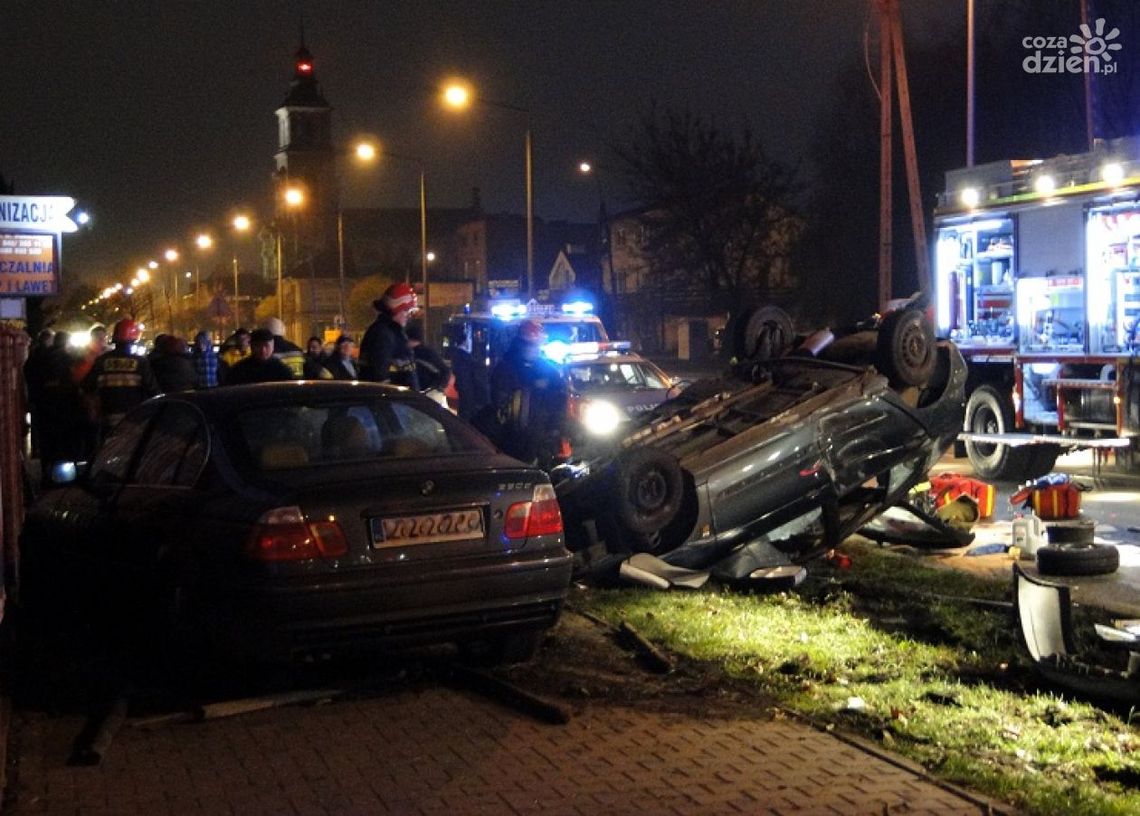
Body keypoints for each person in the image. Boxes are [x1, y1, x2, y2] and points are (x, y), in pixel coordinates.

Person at [487, 319, 568, 467]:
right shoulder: (505, 368)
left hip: (541, 440)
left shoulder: (549, 371)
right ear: (520, 344)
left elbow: (559, 404)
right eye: (530, 345)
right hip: (510, 440)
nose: (533, 350)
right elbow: (498, 403)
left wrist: (554, 433)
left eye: (536, 346)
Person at [81, 318, 160, 438]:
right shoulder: (140, 363)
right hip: (133, 421)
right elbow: (153, 392)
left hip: (107, 422)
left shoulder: (102, 361)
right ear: (134, 339)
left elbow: (87, 388)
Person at [359, 282, 419, 388]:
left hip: (401, 399)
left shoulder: (391, 332)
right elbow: (380, 377)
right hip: (394, 401)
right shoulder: (383, 334)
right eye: (407, 311)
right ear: (397, 309)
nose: (409, 316)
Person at [445, 322, 490, 422]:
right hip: (468, 394)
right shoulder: (464, 357)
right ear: (465, 341)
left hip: (464, 394)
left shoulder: (457, 355)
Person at [223, 328, 295, 384]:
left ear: (272, 346)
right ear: (251, 346)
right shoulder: (239, 371)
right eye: (258, 346)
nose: (263, 350)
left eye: (266, 346)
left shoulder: (282, 371)